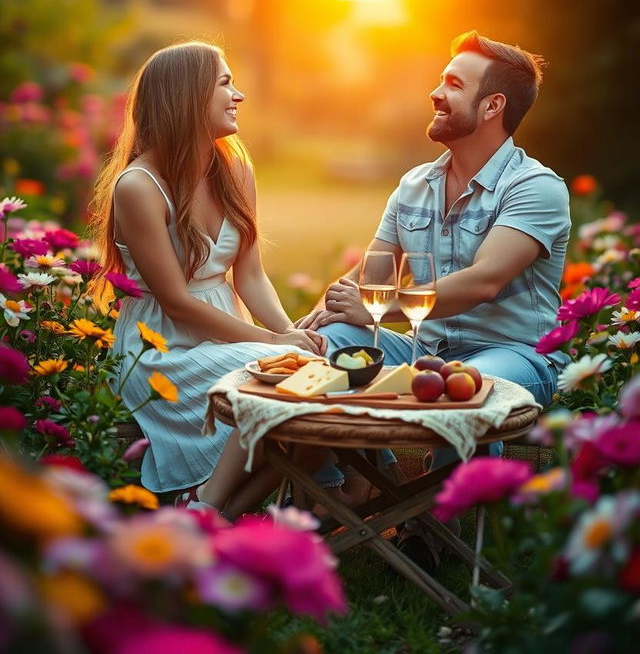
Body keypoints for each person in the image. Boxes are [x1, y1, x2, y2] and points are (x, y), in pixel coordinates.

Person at [91, 41, 326, 514]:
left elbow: (251, 275)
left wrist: (289, 333)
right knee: (292, 378)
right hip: (163, 346)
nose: (238, 95)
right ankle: (212, 504)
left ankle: (210, 510)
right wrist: (274, 343)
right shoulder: (139, 186)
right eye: (225, 83)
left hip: (225, 326)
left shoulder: (235, 167)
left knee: (314, 381)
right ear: (187, 95)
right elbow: (176, 302)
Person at [296, 30, 571, 408]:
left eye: (454, 85)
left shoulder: (536, 187)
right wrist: (308, 329)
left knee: (460, 388)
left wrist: (382, 309)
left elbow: (484, 281)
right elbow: (368, 277)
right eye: (441, 80)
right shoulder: (413, 185)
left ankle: (448, 469)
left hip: (514, 356)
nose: (435, 93)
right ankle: (351, 468)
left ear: (492, 106)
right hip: (423, 351)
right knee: (323, 346)